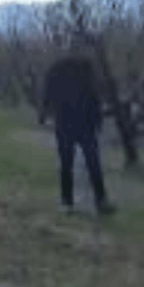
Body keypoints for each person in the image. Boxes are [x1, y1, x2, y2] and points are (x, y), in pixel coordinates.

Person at [38, 50, 115, 216]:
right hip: (74, 122)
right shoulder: (66, 68)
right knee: (82, 164)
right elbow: (95, 94)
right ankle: (79, 201)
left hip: (74, 122)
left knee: (80, 164)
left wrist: (44, 113)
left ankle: (88, 201)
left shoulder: (70, 67)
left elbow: (94, 93)